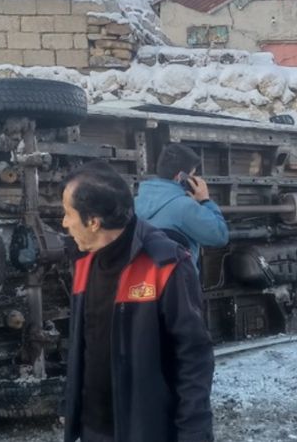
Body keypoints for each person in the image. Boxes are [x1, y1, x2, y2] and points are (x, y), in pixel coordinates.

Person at [60, 160, 214, 442]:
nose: (64, 223)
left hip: (145, 430)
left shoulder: (166, 264)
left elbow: (194, 358)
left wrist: (194, 434)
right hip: (93, 429)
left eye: (68, 213)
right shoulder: (83, 263)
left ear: (93, 221)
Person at [135, 144, 229, 271]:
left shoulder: (134, 203)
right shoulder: (184, 207)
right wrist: (205, 200)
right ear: (180, 177)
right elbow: (219, 236)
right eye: (192, 175)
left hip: (145, 285)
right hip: (178, 284)